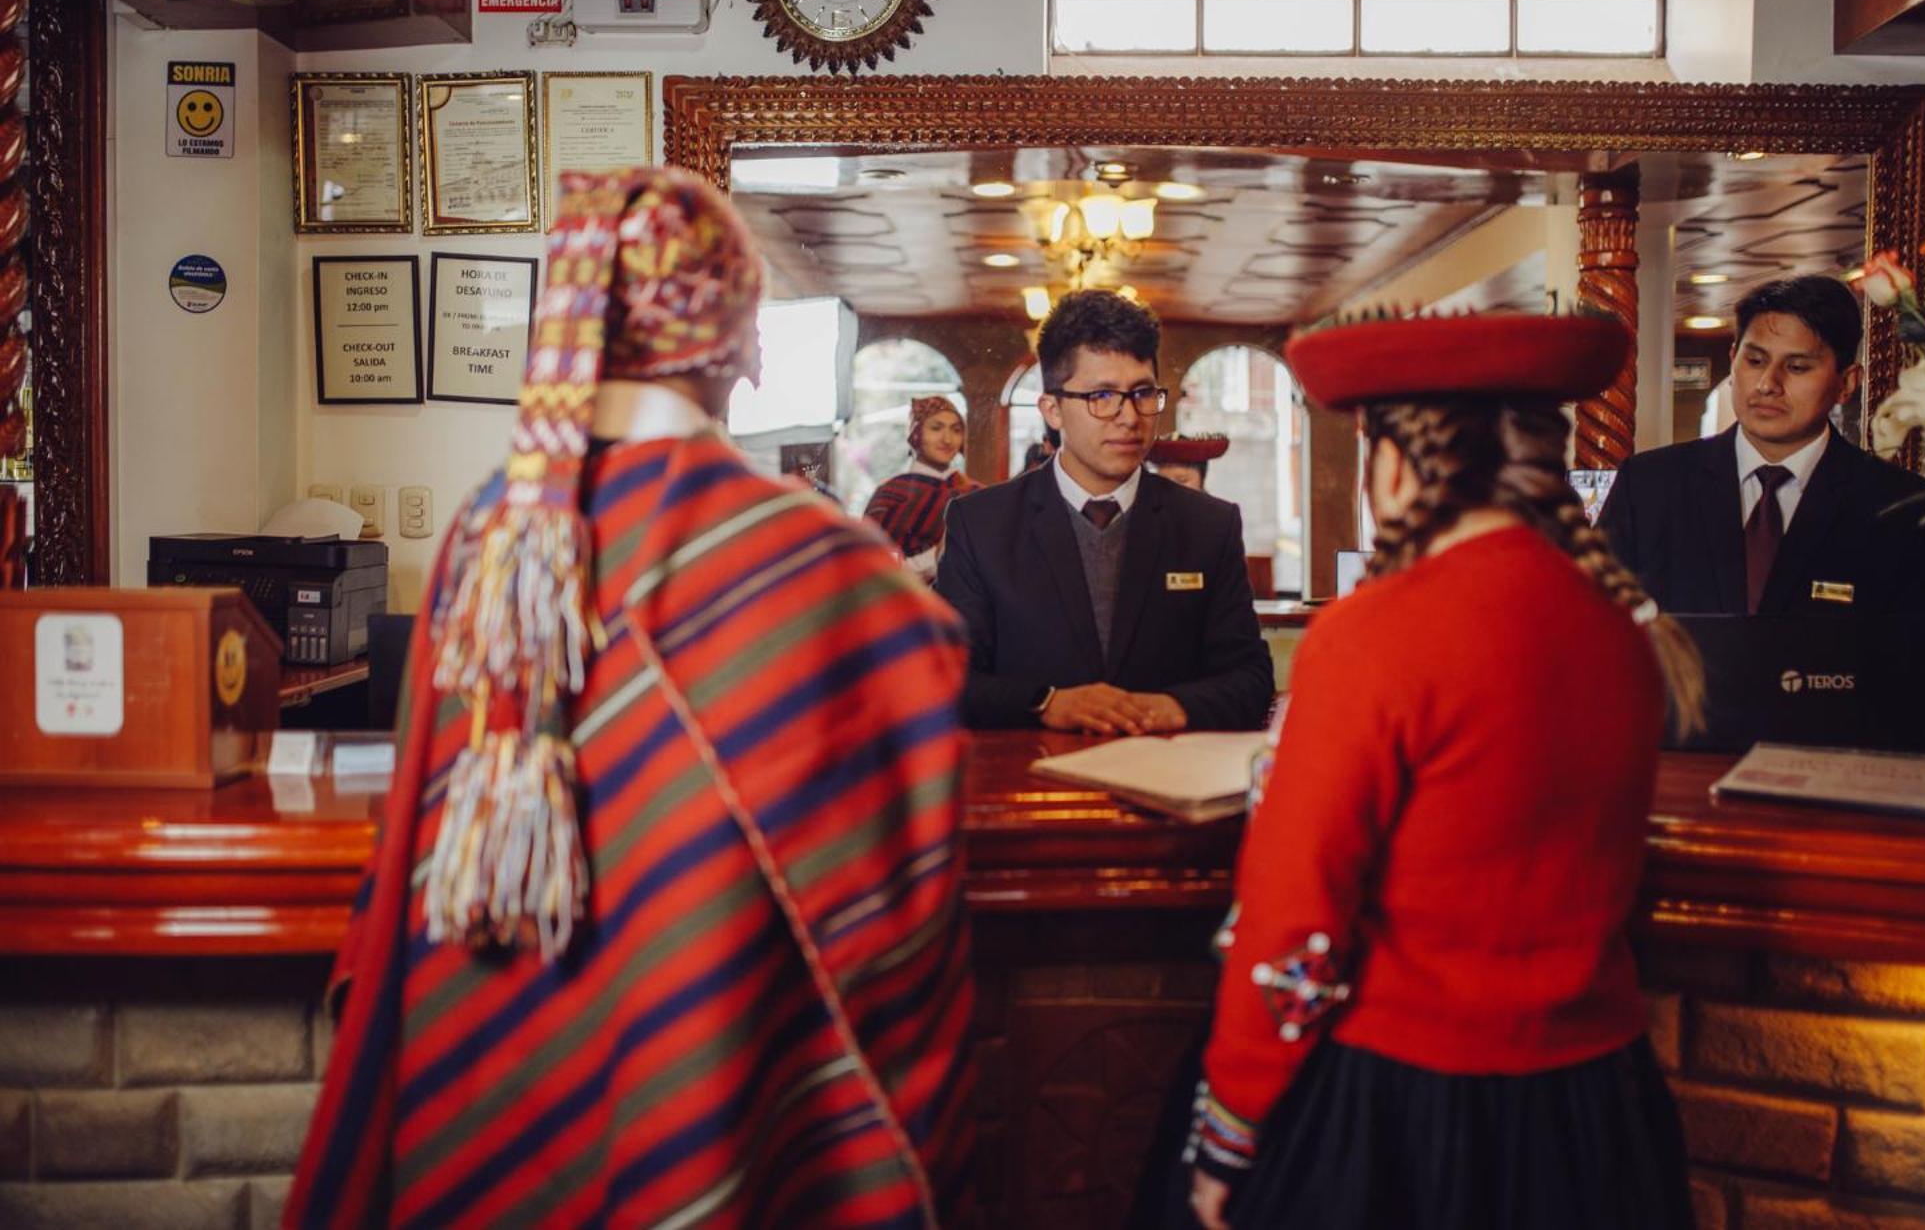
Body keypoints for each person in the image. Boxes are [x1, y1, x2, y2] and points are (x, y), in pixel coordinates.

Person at [288, 169, 973, 1230]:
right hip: (706, 1055)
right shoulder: (812, 556)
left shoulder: (489, 532)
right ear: (741, 347)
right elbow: (915, 747)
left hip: (496, 1052)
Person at [1185, 311, 1701, 1230]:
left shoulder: (1371, 634)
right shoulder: (1626, 628)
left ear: (1396, 462)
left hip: (1407, 1112)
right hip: (1599, 1112)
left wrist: (1233, 1123)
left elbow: (1294, 916)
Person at [936, 289, 1273, 735]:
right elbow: (947, 678)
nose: (1129, 417)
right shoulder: (981, 524)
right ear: (1053, 410)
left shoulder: (1209, 525)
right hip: (1030, 783)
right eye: (1102, 396)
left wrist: (1169, 707)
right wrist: (1046, 702)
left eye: (1142, 393)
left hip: (1167, 779)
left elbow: (1250, 679)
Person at [1600, 275, 1925, 614]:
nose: (1768, 384)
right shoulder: (1649, 485)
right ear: (1733, 358)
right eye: (1755, 361)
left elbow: (1923, 666)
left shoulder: (1904, 510)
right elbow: (1593, 629)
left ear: (1847, 383)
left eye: (1798, 367)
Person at [863, 395, 982, 582]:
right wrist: (936, 557)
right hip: (907, 605)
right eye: (936, 428)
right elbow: (872, 569)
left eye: (956, 430)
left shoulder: (976, 495)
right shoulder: (891, 494)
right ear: (916, 434)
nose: (947, 439)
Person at [1149, 433, 1231, 493]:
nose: (1171, 487)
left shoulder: (1219, 515)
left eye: (1182, 480)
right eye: (1163, 481)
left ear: (1201, 482)